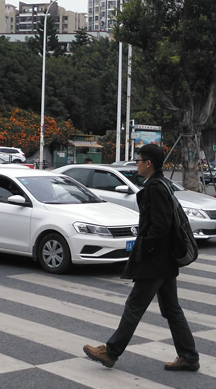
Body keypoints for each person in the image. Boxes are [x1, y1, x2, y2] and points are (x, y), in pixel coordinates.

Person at [83, 143, 200, 371]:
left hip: (155, 261)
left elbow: (161, 225)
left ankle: (111, 351)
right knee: (171, 309)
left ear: (148, 163)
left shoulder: (156, 187)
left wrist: (144, 249)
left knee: (135, 306)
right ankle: (189, 356)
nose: (136, 163)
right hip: (165, 261)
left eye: (138, 160)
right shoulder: (162, 184)